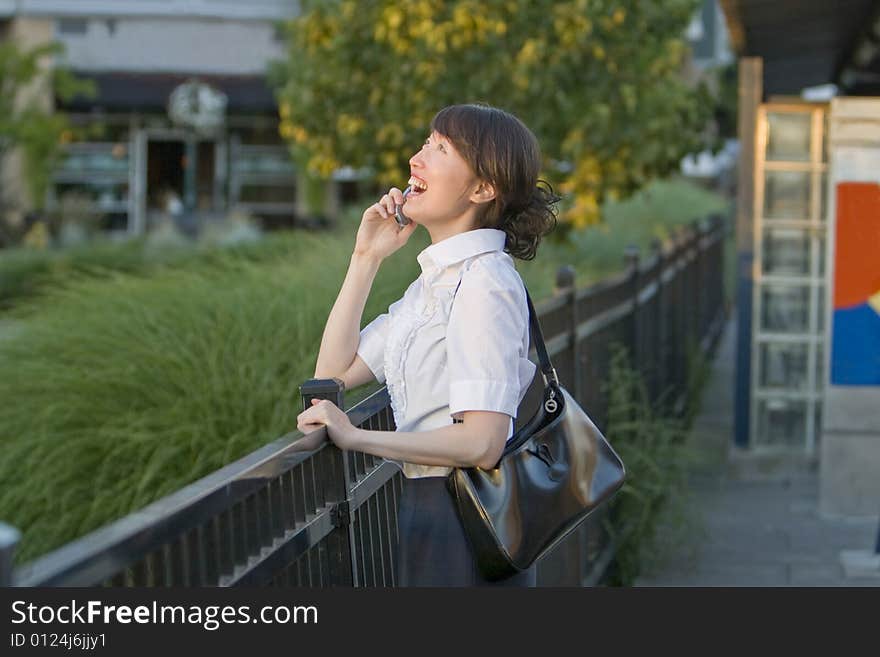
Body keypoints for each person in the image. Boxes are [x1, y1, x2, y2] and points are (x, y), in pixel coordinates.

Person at [296, 103, 558, 586]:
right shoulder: (435, 286)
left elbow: (481, 441)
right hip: (432, 510)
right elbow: (331, 374)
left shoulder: (484, 283)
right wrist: (365, 257)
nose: (417, 158)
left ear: (482, 189)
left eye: (440, 149)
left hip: (466, 517)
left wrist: (356, 437)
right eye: (425, 143)